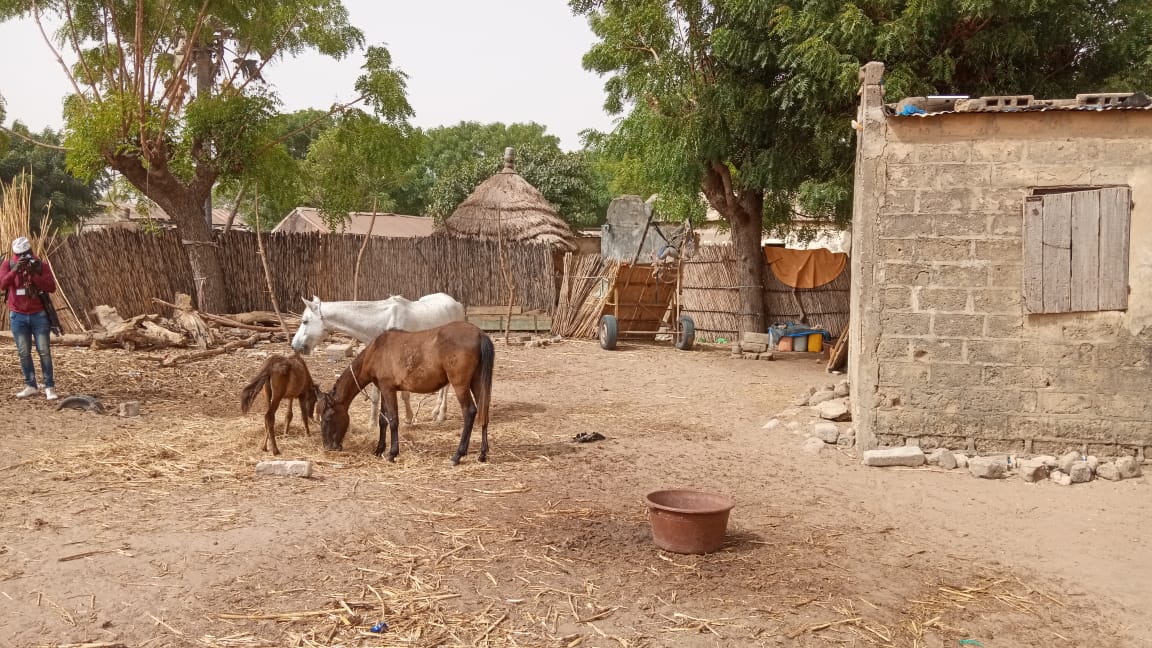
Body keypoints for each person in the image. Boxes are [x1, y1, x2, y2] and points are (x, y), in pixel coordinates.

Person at [0, 236, 58, 400]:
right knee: (24, 352)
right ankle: (30, 385)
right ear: (14, 255)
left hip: (38, 315)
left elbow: (51, 287)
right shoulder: (8, 264)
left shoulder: (41, 265)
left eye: (26, 255)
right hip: (18, 315)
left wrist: (34, 276)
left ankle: (49, 387)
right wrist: (15, 270)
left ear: (31, 252)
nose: (24, 259)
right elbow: (3, 284)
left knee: (44, 351)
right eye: (20, 256)